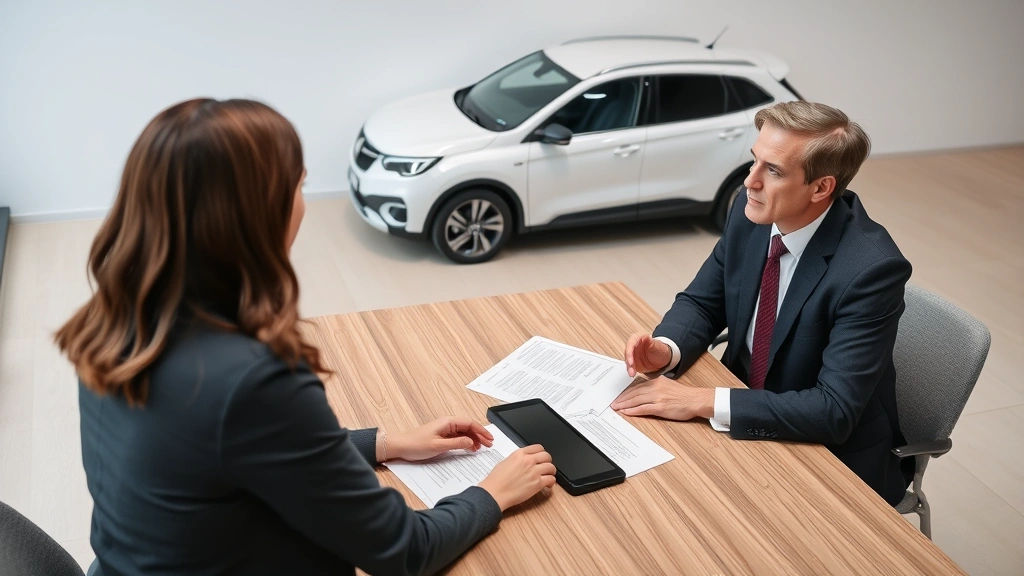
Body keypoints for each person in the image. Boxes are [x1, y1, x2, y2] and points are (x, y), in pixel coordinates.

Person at [55, 99, 556, 576]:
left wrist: (386, 443)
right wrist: (492, 493)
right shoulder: (252, 379)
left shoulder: (115, 318)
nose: (303, 205)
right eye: (299, 187)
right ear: (257, 214)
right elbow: (403, 551)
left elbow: (223, 450)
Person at [612, 101, 913, 506]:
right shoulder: (751, 211)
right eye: (755, 161)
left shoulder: (872, 270)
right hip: (743, 409)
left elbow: (834, 410)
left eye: (773, 170)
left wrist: (701, 400)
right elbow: (703, 301)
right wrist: (665, 350)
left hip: (829, 459)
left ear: (821, 187)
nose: (749, 182)